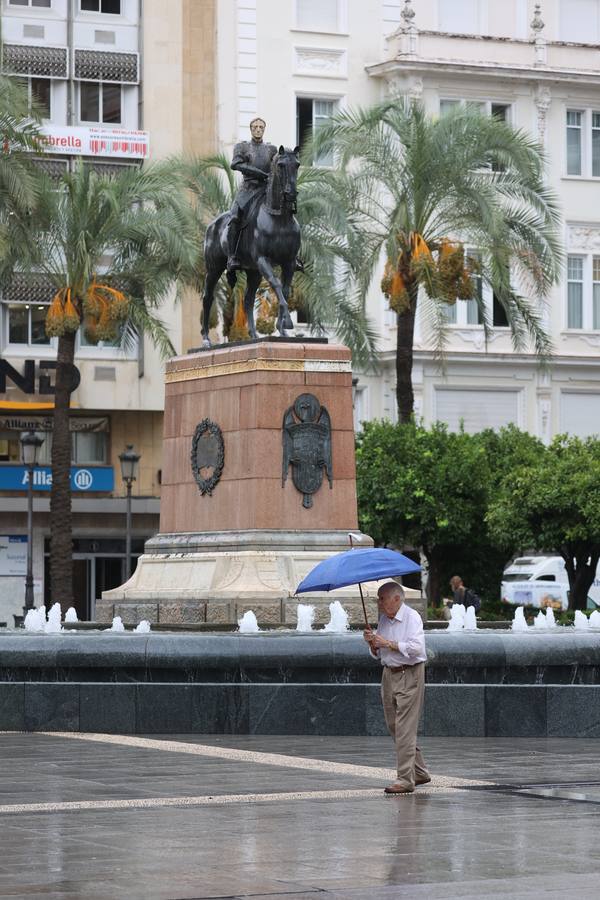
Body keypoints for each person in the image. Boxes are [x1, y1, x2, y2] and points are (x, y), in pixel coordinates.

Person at [364, 582, 431, 795]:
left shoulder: (412, 617)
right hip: (389, 674)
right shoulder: (384, 619)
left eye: (382, 598)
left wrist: (388, 643)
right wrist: (373, 644)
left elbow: (416, 649)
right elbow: (380, 654)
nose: (379, 603)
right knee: (395, 726)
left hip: (409, 673)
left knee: (404, 728)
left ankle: (405, 779)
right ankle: (419, 771)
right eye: (378, 599)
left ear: (396, 599)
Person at [227, 117, 277, 272]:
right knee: (235, 216)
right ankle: (232, 256)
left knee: (286, 213)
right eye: (255, 126)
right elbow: (235, 164)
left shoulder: (271, 149)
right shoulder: (242, 147)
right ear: (250, 129)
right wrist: (259, 173)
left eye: (261, 127)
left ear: (264, 129)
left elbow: (277, 166)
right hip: (248, 189)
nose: (258, 129)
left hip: (266, 190)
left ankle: (292, 255)